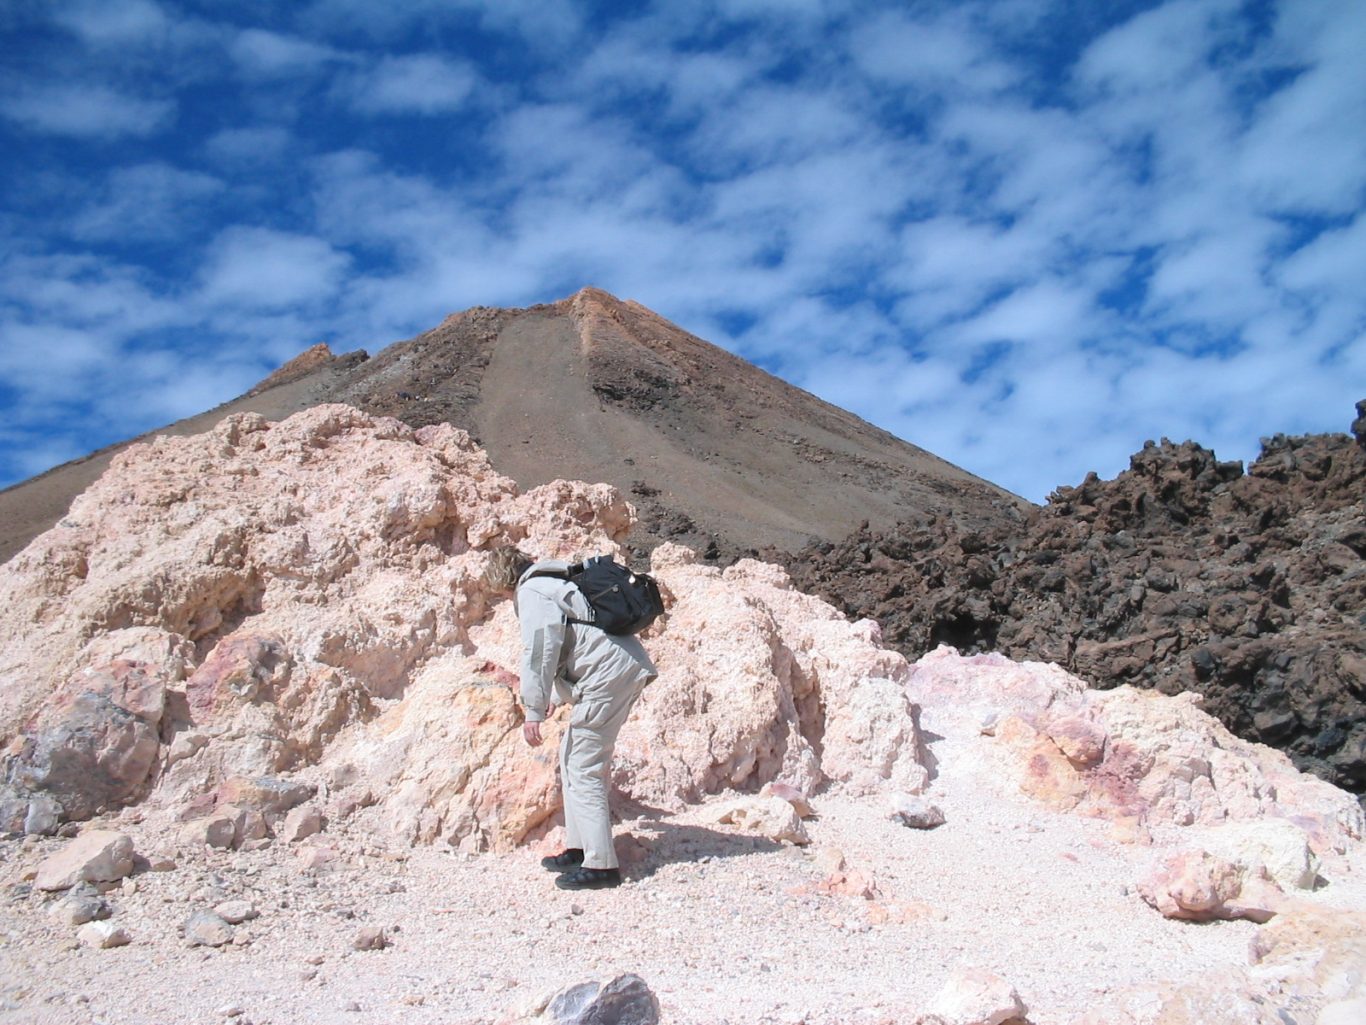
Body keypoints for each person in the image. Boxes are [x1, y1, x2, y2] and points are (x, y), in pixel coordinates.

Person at [483, 547, 658, 890]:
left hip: (608, 677)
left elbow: (541, 650)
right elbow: (570, 645)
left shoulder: (532, 591)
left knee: (583, 766)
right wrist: (549, 698)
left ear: (503, 581)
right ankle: (580, 849)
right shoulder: (553, 583)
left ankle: (601, 866)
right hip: (619, 670)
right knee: (571, 757)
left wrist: (533, 709)